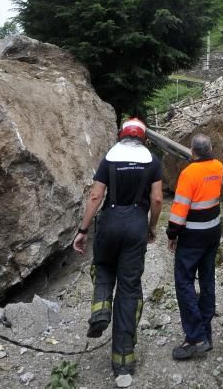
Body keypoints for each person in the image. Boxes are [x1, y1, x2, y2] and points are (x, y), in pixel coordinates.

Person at [73, 117, 163, 384]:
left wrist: (83, 229)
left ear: (120, 135)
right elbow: (157, 199)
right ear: (144, 138)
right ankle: (123, 362)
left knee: (103, 268)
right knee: (129, 290)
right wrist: (151, 227)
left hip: (109, 224)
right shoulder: (152, 161)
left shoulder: (109, 158)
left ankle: (100, 311)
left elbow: (95, 196)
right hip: (136, 226)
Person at [166, 133, 223, 360]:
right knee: (207, 280)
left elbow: (180, 209)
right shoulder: (218, 167)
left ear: (192, 151)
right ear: (210, 148)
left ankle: (195, 337)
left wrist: (172, 233)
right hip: (213, 233)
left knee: (184, 282)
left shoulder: (189, 173)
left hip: (193, 237)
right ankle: (206, 334)